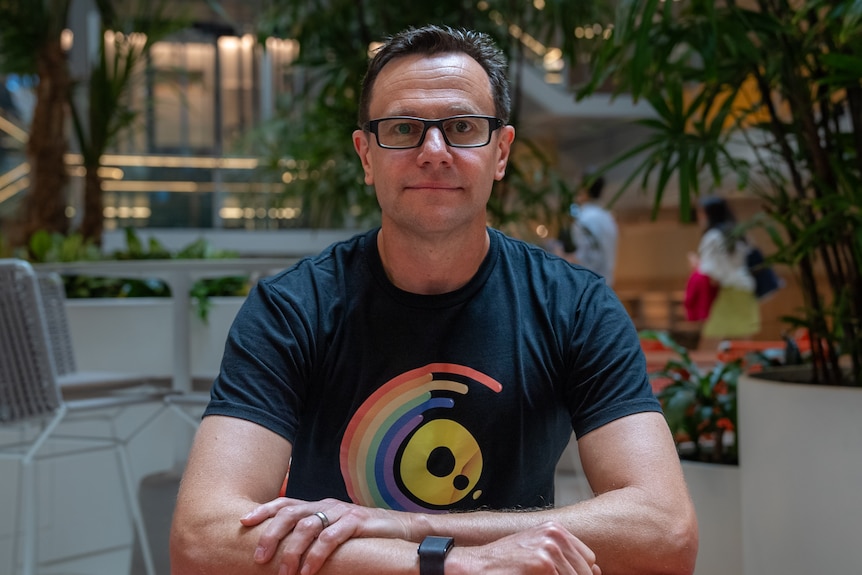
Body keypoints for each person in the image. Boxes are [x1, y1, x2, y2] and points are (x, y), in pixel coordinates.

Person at [170, 25, 697, 575]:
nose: (434, 152)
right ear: (366, 155)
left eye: (463, 127)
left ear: (501, 152)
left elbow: (664, 530)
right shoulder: (292, 309)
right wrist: (450, 565)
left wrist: (415, 525)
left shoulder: (575, 307)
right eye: (403, 129)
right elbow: (201, 539)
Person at [696, 195, 760, 344]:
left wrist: (695, 266)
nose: (699, 217)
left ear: (710, 214)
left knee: (711, 341)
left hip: (727, 291)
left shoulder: (712, 237)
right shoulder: (740, 234)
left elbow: (709, 271)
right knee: (743, 343)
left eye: (701, 213)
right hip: (746, 290)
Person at [569, 170, 618, 286]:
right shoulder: (608, 217)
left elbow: (589, 258)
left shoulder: (584, 218)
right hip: (605, 284)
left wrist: (565, 258)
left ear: (584, 190)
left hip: (588, 286)